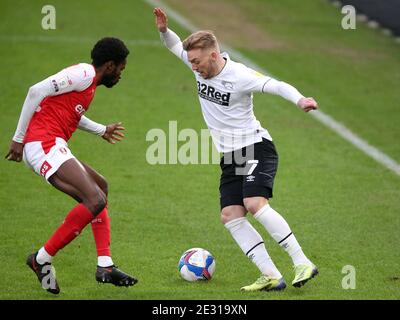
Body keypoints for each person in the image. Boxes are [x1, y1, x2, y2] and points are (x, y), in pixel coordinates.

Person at [154, 7, 319, 292]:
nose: (192, 66)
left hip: (256, 147)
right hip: (232, 156)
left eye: (196, 61)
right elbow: (173, 46)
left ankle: (302, 261)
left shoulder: (240, 75)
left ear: (214, 55)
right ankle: (270, 275)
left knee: (255, 203)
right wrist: (164, 31)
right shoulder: (197, 66)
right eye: (190, 61)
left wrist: (300, 100)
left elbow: (276, 85)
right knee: (231, 215)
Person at [5, 37, 138, 294]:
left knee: (101, 187)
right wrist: (18, 139)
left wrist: (101, 130)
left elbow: (71, 113)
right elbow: (36, 90)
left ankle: (105, 265)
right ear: (110, 65)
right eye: (121, 69)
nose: (121, 75)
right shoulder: (84, 73)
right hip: (42, 143)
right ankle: (42, 258)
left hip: (51, 144)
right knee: (94, 199)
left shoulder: (88, 85)